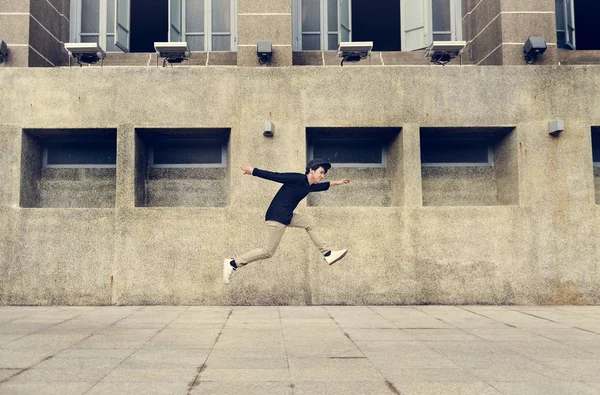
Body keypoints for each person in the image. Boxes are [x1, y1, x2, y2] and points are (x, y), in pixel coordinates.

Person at [223, 158, 350, 284]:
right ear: (311, 170)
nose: (322, 176)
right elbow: (276, 176)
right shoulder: (298, 179)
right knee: (267, 252)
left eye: (324, 174)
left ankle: (327, 253)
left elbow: (324, 186)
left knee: (309, 222)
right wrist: (253, 171)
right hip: (276, 217)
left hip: (286, 216)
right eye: (321, 172)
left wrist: (337, 183)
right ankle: (233, 263)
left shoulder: (309, 186)